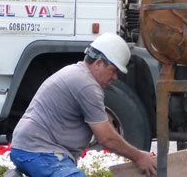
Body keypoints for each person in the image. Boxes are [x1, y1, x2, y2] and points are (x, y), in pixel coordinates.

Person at [9, 33, 156, 177]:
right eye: (113, 70)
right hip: (38, 152)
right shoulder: (87, 86)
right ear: (99, 63)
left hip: (34, 149)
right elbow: (106, 138)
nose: (115, 77)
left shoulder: (78, 74)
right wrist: (139, 156)